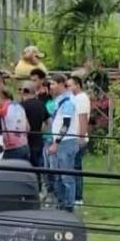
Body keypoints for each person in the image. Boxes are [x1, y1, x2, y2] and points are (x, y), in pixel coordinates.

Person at [47, 73, 79, 212]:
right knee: (58, 175)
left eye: (53, 84)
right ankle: (61, 203)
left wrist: (57, 142)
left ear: (61, 84)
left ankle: (68, 205)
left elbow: (65, 124)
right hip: (59, 141)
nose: (51, 87)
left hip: (65, 142)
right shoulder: (59, 100)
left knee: (66, 175)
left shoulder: (68, 102)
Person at [68, 75, 91, 205]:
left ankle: (78, 196)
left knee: (76, 168)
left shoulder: (82, 99)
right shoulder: (73, 98)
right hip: (72, 136)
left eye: (71, 85)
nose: (69, 88)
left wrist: (81, 137)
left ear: (78, 85)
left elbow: (82, 118)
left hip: (78, 137)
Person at [19, 82, 49, 169]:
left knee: (26, 168)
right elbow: (47, 122)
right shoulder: (41, 104)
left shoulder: (22, 106)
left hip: (26, 141)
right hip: (39, 139)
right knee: (38, 167)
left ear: (24, 91)